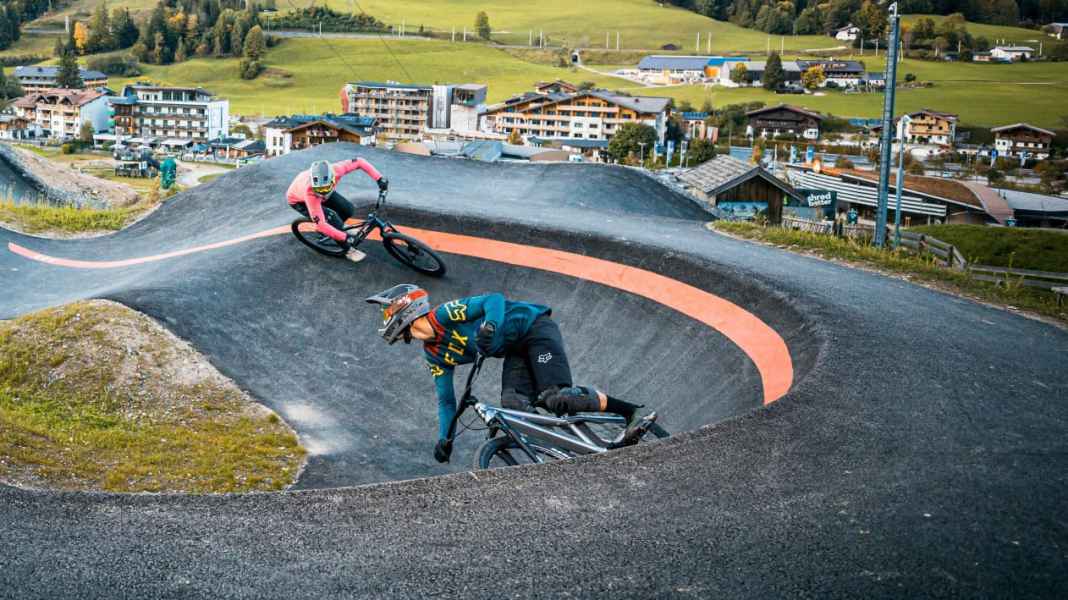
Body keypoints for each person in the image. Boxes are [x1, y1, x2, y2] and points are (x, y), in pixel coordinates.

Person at [365, 284, 657, 463]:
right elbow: (446, 401)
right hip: (515, 351)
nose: (385, 319)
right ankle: (566, 447)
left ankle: (629, 412)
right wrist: (445, 438)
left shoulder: (444, 314)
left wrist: (490, 324)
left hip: (534, 329)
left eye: (387, 312)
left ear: (403, 310)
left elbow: (494, 299)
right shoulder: (434, 354)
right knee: (514, 407)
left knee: (556, 399)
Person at [287, 158, 388, 263]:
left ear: (332, 178)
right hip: (300, 200)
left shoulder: (337, 170)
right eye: (321, 191)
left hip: (318, 188)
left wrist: (379, 178)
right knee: (332, 221)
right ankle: (348, 250)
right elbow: (321, 225)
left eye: (325, 189)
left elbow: (359, 162)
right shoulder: (311, 192)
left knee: (348, 209)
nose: (323, 193)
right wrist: (346, 238)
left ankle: (336, 229)